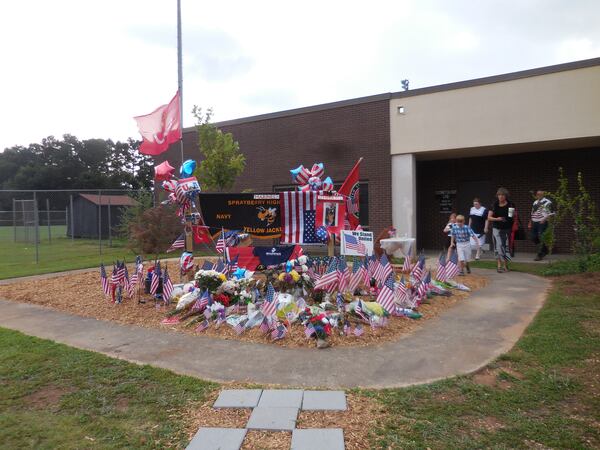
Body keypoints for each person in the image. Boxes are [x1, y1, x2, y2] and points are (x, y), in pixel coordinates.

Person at [488, 187, 515, 272]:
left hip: (507, 229)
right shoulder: (494, 205)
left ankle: (506, 265)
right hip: (496, 229)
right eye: (499, 195)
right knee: (497, 246)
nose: (501, 197)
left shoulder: (511, 205)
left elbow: (512, 217)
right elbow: (489, 218)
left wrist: (507, 220)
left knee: (505, 247)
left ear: (506, 196)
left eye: (502, 195)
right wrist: (498, 219)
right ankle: (499, 265)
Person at [528, 189, 553, 261]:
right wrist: (530, 221)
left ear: (543, 195)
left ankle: (540, 255)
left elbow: (551, 213)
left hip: (542, 222)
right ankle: (545, 249)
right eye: (537, 194)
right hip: (534, 222)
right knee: (533, 237)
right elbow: (532, 212)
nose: (538, 195)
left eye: (540, 194)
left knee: (541, 237)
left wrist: (544, 220)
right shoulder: (535, 202)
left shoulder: (548, 202)